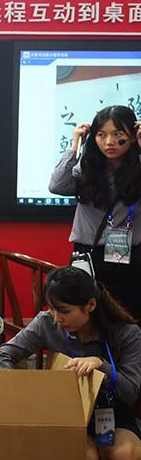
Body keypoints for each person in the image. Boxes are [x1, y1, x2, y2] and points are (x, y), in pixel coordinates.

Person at [0, 265, 141, 460]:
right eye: (52, 309)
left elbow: (131, 390)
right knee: (82, 459)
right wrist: (17, 389)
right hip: (67, 411)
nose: (57, 318)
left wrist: (101, 365)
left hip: (112, 412)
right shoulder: (47, 323)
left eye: (64, 311)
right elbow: (4, 355)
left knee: (125, 457)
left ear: (90, 305)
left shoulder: (126, 331)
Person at [50, 105, 141, 319]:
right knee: (89, 322)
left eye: (117, 134)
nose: (109, 142)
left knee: (131, 322)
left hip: (131, 259)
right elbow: (57, 185)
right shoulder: (87, 168)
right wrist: (75, 146)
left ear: (132, 136)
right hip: (89, 257)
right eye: (101, 135)